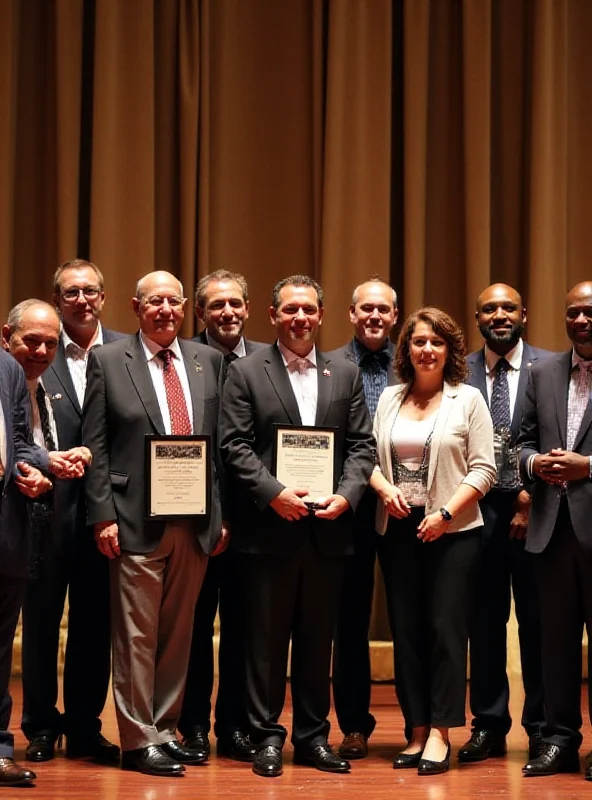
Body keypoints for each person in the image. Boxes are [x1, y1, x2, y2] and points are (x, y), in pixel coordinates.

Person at [220, 275, 375, 778]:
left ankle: (313, 738)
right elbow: (235, 446)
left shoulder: (344, 374)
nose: (300, 318)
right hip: (269, 532)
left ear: (322, 314)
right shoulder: (246, 371)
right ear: (273, 315)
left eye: (308, 309)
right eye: (290, 310)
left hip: (328, 531)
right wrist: (274, 495)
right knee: (264, 644)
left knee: (316, 642)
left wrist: (347, 496)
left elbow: (361, 447)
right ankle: (267, 737)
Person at [82, 270, 227, 778]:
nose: (165, 310)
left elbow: (219, 449)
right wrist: (102, 515)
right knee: (136, 637)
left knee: (179, 634)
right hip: (133, 519)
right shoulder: (107, 361)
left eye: (173, 301)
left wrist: (220, 513)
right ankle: (136, 739)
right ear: (135, 306)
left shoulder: (208, 360)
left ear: (185, 306)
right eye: (154, 302)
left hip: (194, 521)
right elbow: (96, 444)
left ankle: (165, 730)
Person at [371, 307, 495, 775]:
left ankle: (442, 733)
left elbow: (484, 469)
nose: (426, 349)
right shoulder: (388, 399)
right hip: (398, 529)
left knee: (445, 630)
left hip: (453, 530)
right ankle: (417, 729)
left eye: (436, 342)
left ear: (450, 351)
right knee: (406, 632)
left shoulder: (468, 400)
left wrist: (445, 514)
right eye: (418, 341)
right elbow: (368, 457)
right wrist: (383, 489)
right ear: (406, 349)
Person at [16, 261, 123, 764]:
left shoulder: (126, 350)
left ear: (104, 297)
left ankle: (84, 725)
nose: (82, 300)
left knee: (94, 623)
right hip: (44, 509)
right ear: (57, 299)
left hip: (105, 512)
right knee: (40, 620)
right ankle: (39, 725)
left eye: (91, 291)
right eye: (71, 292)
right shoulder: (37, 350)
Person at [0, 306, 90, 787]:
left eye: (49, 344)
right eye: (29, 340)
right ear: (6, 335)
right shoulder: (11, 373)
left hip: (37, 523)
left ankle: (9, 745)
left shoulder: (21, 377)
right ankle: (26, 731)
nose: (39, 351)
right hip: (16, 523)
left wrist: (53, 461)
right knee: (29, 629)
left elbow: (18, 442)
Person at [459, 284, 549, 763]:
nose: (499, 315)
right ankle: (489, 726)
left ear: (524, 313)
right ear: (477, 318)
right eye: (490, 309)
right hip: (475, 516)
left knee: (537, 625)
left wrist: (530, 500)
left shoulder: (550, 367)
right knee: (484, 624)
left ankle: (539, 727)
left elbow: (554, 438)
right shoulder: (460, 372)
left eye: (508, 307)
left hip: (536, 515)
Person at [179, 270, 266, 761]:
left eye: (235, 303)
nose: (227, 312)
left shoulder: (267, 361)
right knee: (193, 628)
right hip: (197, 520)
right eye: (216, 305)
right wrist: (215, 516)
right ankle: (191, 725)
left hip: (256, 520)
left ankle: (233, 726)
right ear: (201, 312)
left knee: (242, 629)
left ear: (249, 308)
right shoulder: (183, 360)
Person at [518, 281, 592, 780]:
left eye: (590, 312)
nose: (581, 321)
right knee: (555, 644)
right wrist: (533, 462)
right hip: (550, 532)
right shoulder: (542, 373)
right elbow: (518, 441)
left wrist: (588, 466)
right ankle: (559, 741)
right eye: (573, 313)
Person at [327, 276, 398, 759]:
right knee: (347, 622)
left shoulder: (416, 362)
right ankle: (353, 725)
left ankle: (422, 725)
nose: (374, 316)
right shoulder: (329, 367)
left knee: (415, 618)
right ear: (351, 314)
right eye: (365, 308)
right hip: (348, 510)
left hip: (406, 510)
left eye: (383, 309)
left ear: (395, 315)